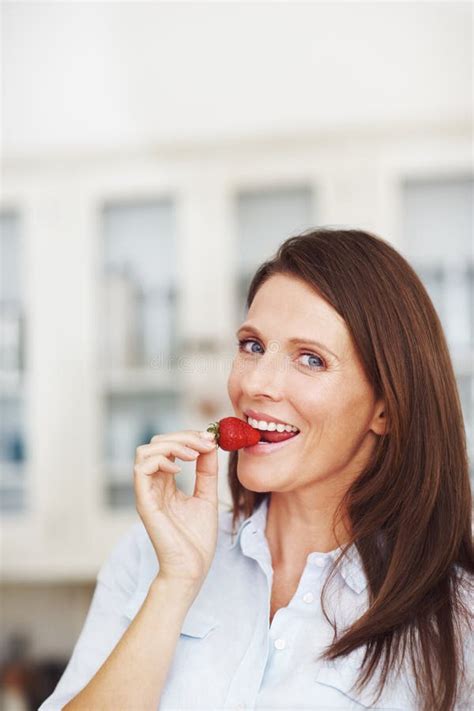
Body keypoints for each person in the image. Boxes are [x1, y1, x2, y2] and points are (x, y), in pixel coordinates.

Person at [38, 228, 473, 711]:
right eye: (252, 346)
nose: (258, 383)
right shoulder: (149, 557)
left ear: (385, 410)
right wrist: (176, 583)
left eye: (311, 359)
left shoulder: (458, 620)